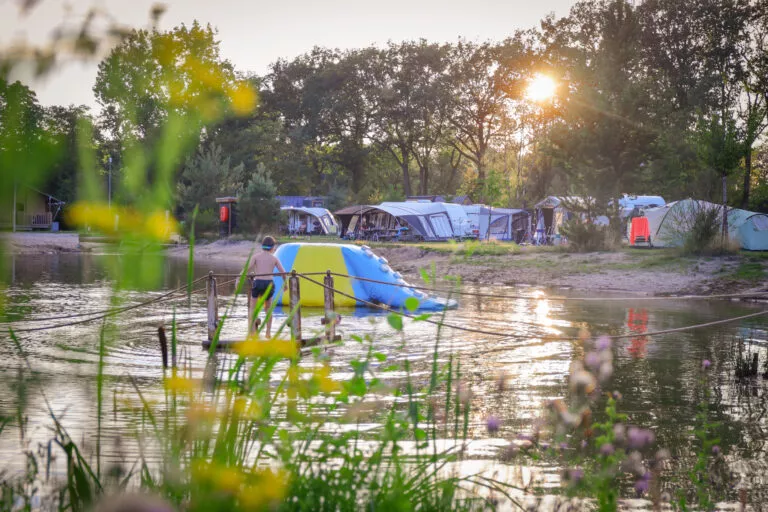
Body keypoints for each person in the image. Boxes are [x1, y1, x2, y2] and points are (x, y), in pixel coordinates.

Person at [248, 236, 286, 338]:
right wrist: (285, 284)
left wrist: (238, 279)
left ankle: (252, 332)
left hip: (258, 282)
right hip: (269, 284)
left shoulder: (256, 257)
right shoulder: (274, 258)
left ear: (262, 246)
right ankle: (268, 333)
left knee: (253, 308)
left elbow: (247, 269)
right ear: (272, 247)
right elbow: (283, 273)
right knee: (268, 309)